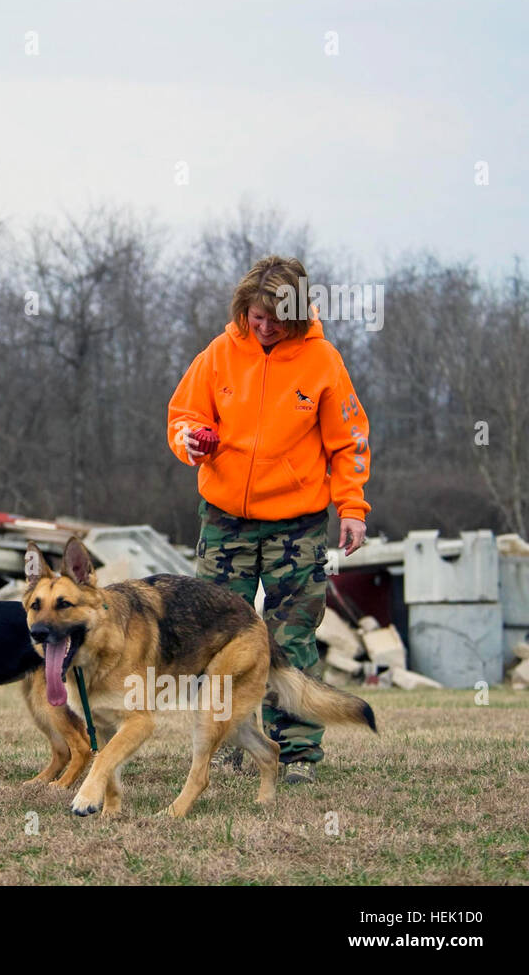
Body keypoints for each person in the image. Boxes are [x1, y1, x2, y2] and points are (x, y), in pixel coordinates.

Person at [166, 255, 370, 783]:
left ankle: (297, 755)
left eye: (275, 317)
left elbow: (349, 443)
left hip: (296, 526)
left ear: (298, 311)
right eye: (256, 316)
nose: (264, 326)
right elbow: (183, 414)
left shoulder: (323, 361)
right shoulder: (219, 352)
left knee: (292, 639)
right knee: (212, 639)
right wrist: (189, 440)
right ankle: (227, 745)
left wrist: (351, 506)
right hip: (224, 520)